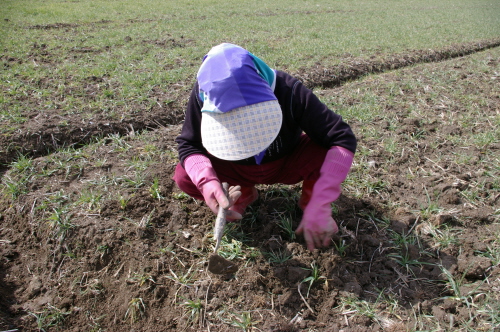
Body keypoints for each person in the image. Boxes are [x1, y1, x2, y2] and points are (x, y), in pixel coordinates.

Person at [173, 43, 357, 251]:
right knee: (185, 176)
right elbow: (189, 144)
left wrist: (321, 201)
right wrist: (207, 183)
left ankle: (309, 202)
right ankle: (243, 194)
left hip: (287, 162)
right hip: (236, 171)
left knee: (327, 152)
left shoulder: (288, 90)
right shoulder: (202, 95)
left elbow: (341, 138)